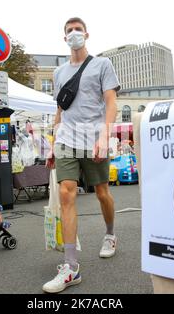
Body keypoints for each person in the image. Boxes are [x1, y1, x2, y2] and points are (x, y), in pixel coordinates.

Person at [44, 17, 120, 293]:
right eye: (69, 31)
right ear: (64, 38)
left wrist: (104, 135)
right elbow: (60, 111)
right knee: (66, 192)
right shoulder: (59, 72)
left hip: (94, 137)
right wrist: (53, 144)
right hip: (67, 139)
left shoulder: (102, 65)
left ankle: (110, 235)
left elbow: (111, 101)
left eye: (78, 30)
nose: (74, 34)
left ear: (87, 34)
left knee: (102, 192)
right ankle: (71, 266)